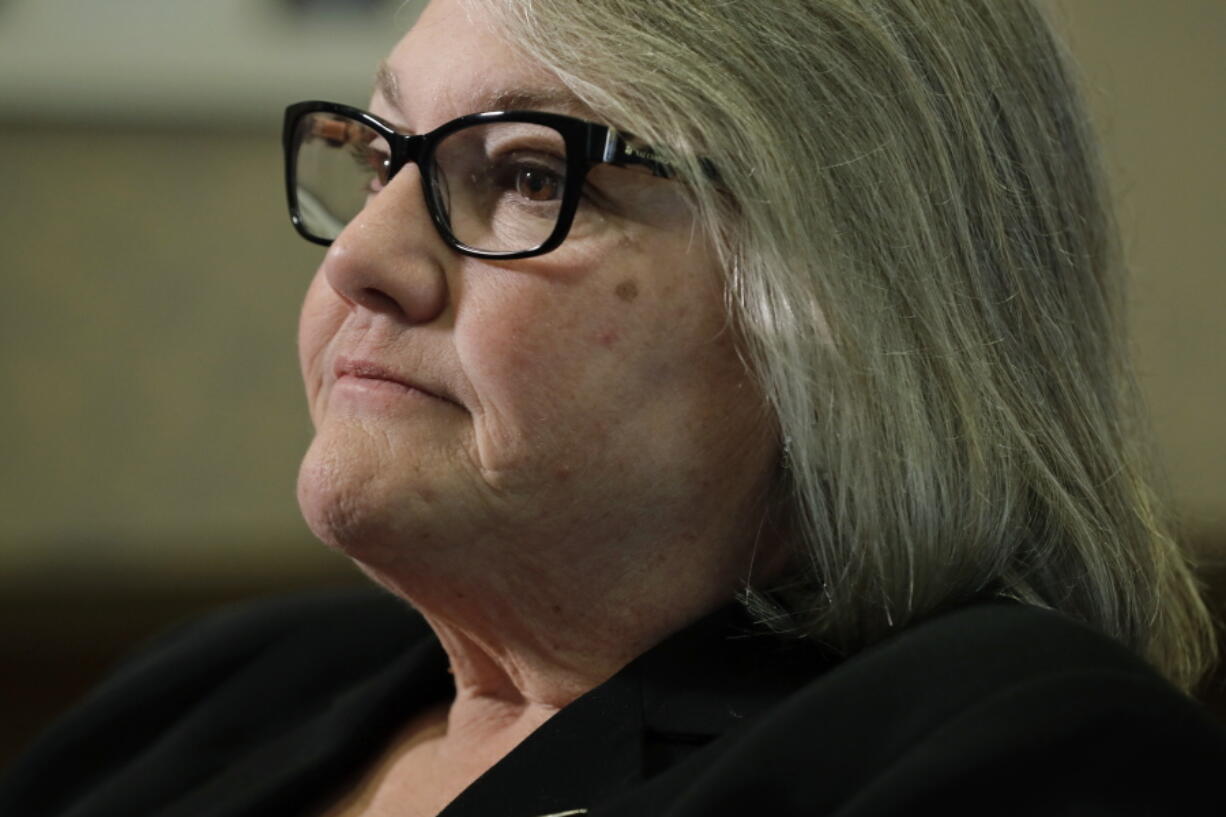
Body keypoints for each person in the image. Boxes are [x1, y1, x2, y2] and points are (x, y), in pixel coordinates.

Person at [2, 0, 1224, 814]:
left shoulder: (1018, 748)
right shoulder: (226, 677)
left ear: (852, 294)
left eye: (528, 175)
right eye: (385, 157)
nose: (360, 258)